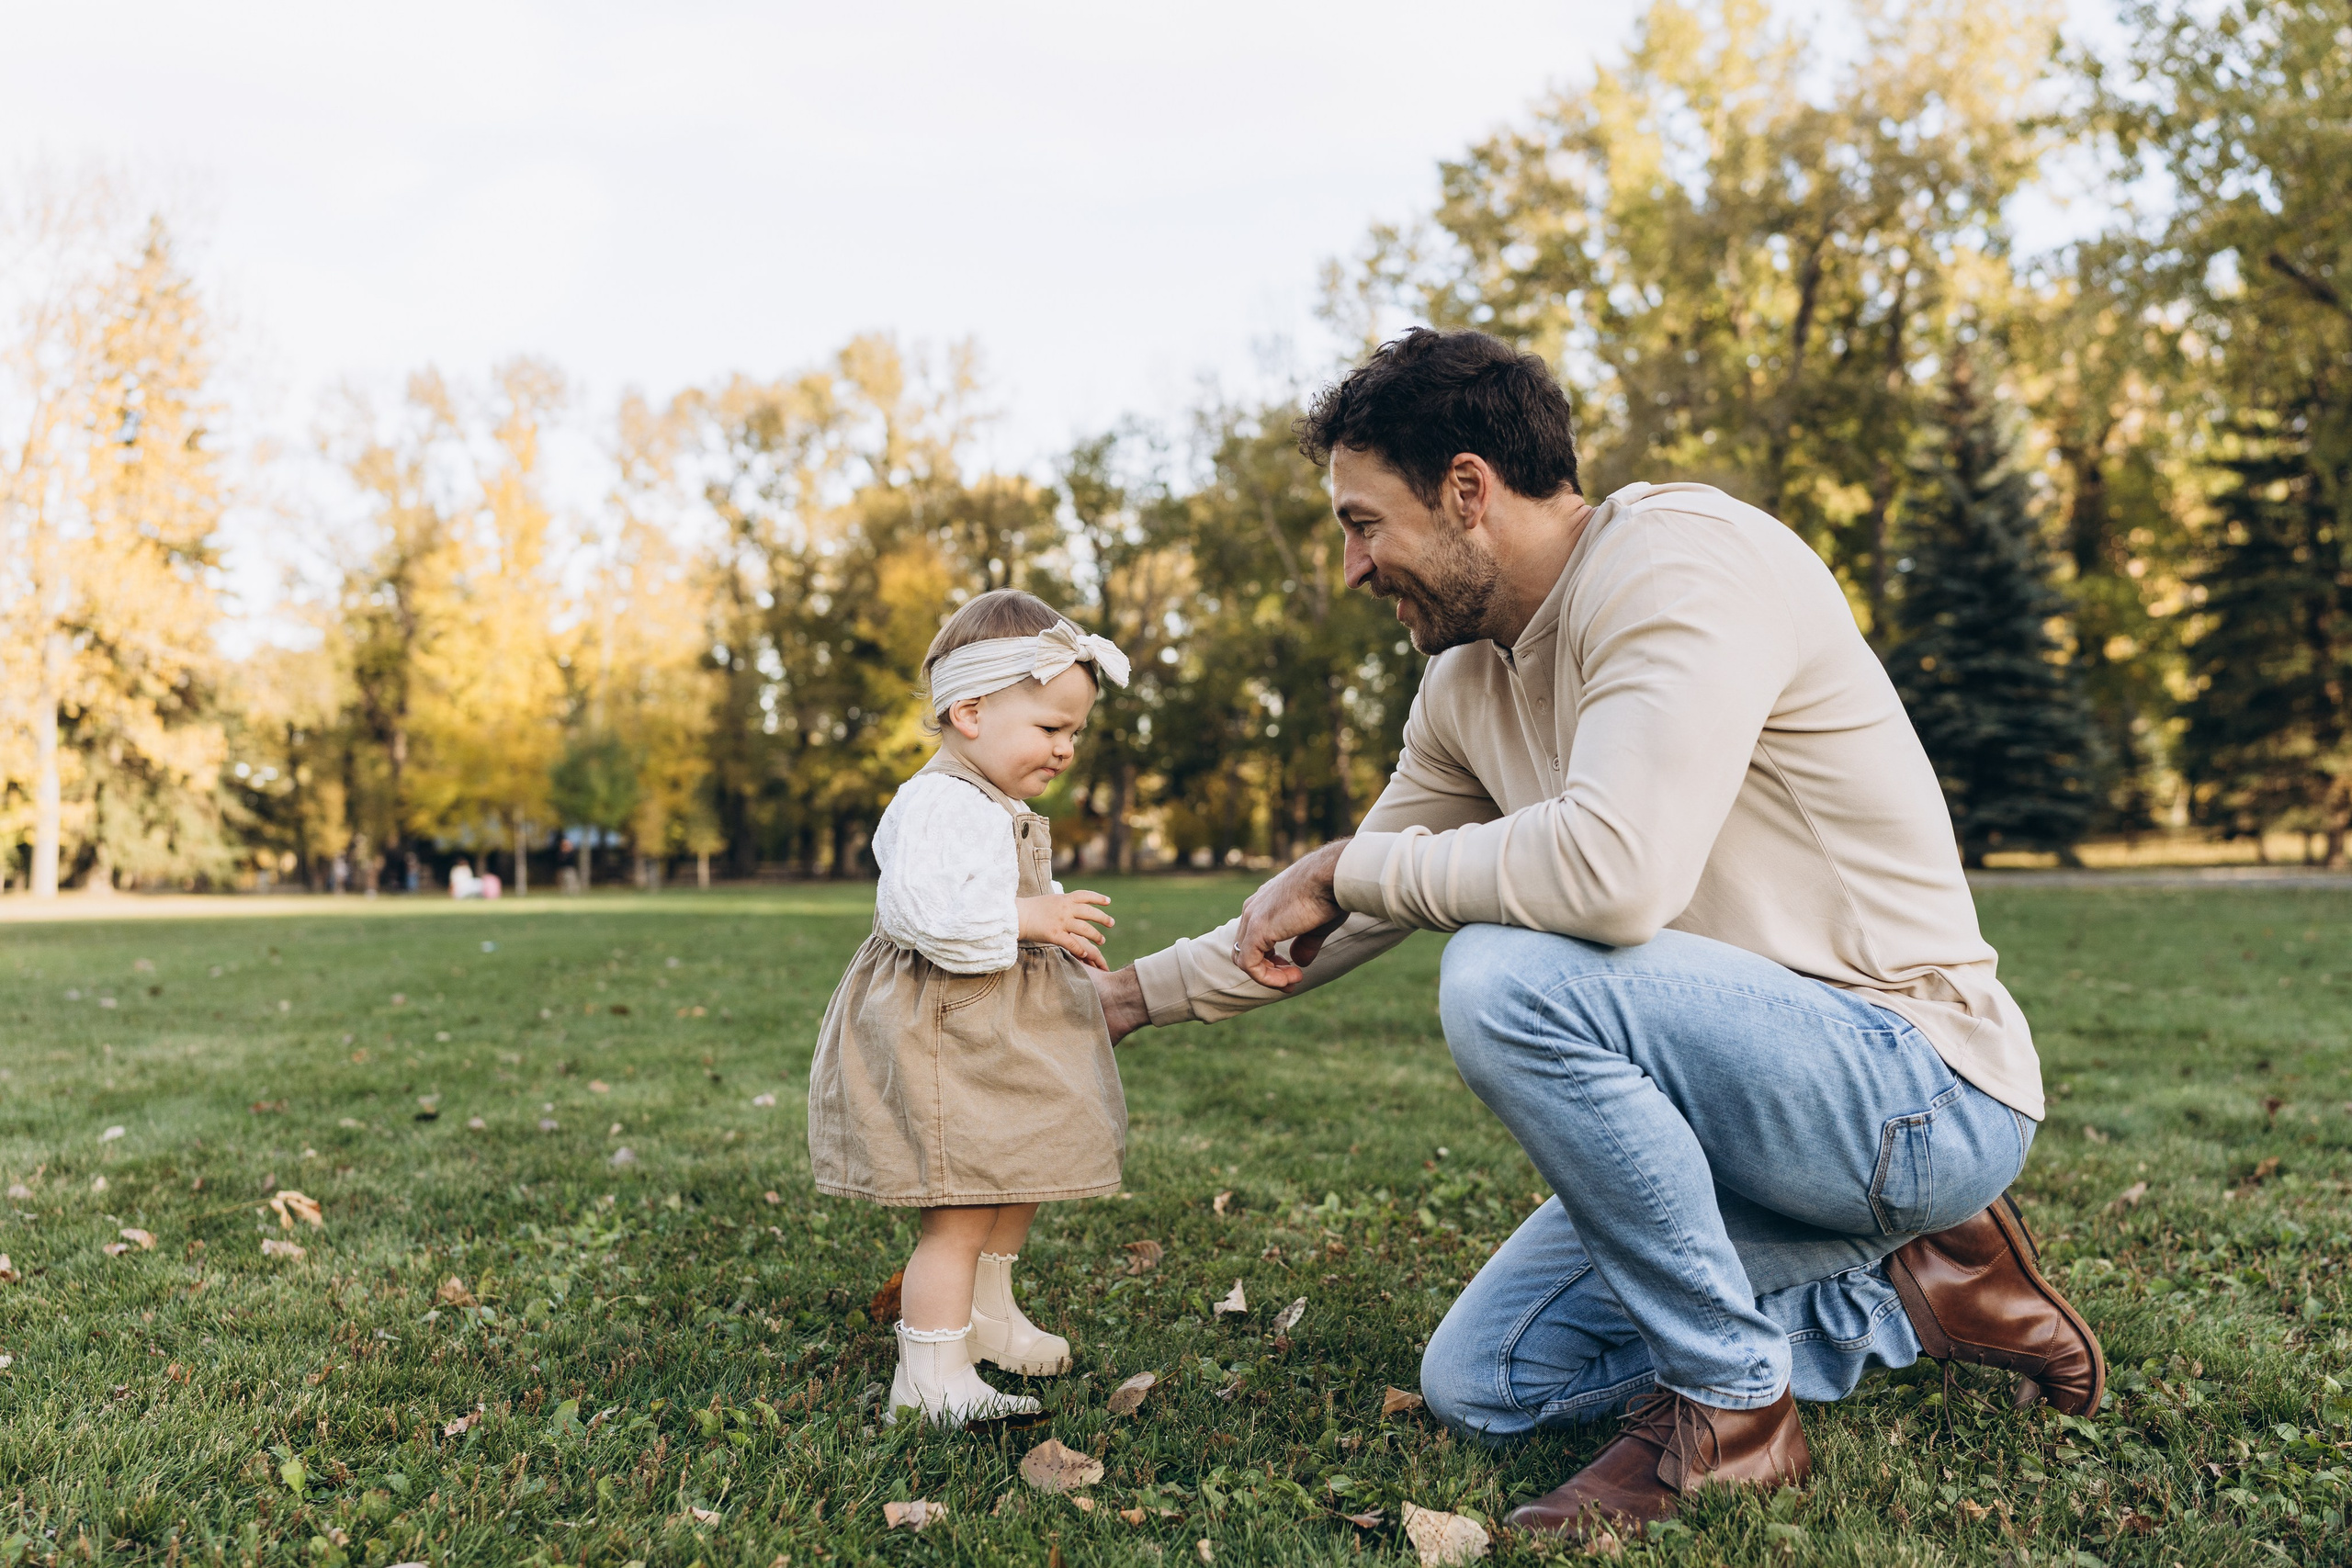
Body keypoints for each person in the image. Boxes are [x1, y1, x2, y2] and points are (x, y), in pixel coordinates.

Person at [1090, 330, 2104, 1540]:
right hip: (1745, 1111)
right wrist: (1128, 997)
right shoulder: (1468, 682)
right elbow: (1355, 903)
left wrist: (1348, 863)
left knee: (1511, 973)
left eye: (1364, 522)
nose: (1355, 564)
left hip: (1915, 1083)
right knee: (1489, 1382)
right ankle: (1909, 1288)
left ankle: (1733, 1407)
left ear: (1469, 490)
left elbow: (1614, 874)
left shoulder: (1682, 564)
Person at [807, 589, 1135, 1427]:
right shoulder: (939, 802)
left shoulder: (996, 802)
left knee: (1016, 1167)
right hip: (947, 1034)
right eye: (1051, 728)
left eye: (1074, 732)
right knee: (958, 1206)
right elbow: (918, 911)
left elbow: (1009, 887)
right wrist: (1029, 918)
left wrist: (1054, 924)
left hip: (996, 1028)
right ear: (971, 710)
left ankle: (987, 1314)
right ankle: (929, 1373)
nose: (1065, 749)